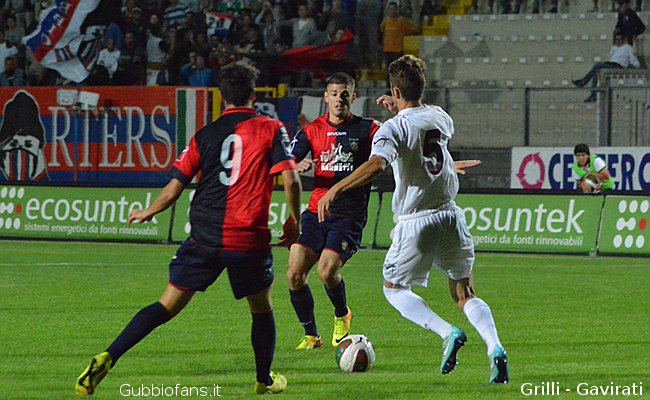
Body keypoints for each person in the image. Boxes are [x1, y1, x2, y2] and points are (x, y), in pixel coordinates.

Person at [75, 62, 301, 397]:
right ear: (253, 95)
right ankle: (263, 380)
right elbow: (291, 178)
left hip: (204, 236)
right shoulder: (270, 128)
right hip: (246, 239)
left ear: (222, 97)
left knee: (165, 305)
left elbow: (174, 186)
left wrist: (150, 211)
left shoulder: (204, 135)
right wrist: (294, 220)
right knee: (262, 308)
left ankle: (109, 355)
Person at [317, 55, 509, 384]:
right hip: (451, 215)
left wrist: (335, 188)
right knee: (465, 294)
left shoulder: (393, 128)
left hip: (416, 220)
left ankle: (447, 332)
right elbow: (422, 128)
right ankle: (495, 347)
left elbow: (378, 164)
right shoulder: (440, 116)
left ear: (394, 90)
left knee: (394, 290)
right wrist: (401, 105)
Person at [287, 72, 382, 350]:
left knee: (326, 271)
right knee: (294, 273)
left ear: (354, 96)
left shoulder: (369, 129)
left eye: (345, 93)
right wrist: (294, 165)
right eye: (334, 93)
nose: (339, 99)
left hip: (348, 215)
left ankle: (342, 314)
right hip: (316, 211)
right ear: (325, 97)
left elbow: (391, 155)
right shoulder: (310, 130)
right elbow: (284, 162)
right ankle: (311, 335)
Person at [571, 34, 640, 103]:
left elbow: (633, 59)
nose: (618, 41)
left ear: (623, 40)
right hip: (610, 64)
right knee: (596, 75)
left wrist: (637, 66)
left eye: (620, 39)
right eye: (616, 39)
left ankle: (583, 82)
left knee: (597, 65)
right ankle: (593, 95)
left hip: (618, 66)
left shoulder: (627, 48)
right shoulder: (614, 48)